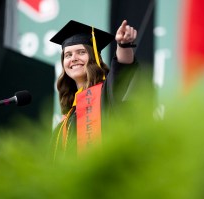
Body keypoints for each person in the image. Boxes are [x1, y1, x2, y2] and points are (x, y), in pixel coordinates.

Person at [49, 19, 138, 160]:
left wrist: (123, 44)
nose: (74, 58)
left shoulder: (106, 93)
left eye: (81, 52)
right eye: (68, 55)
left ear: (94, 57)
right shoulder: (63, 124)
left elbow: (122, 67)